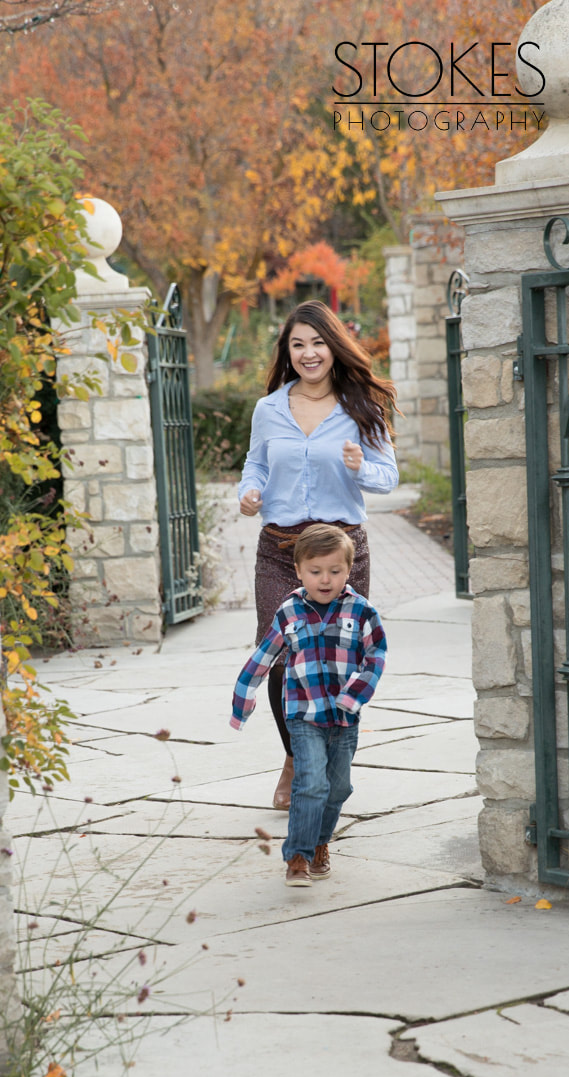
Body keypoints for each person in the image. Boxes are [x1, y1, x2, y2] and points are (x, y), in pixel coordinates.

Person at [238, 299, 398, 811]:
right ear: (287, 351)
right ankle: (299, 760)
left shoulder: (361, 407)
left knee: (333, 664)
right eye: (298, 344)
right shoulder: (269, 409)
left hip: (339, 551)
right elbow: (255, 466)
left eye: (318, 342)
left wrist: (358, 467)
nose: (309, 353)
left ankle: (313, 767)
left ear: (334, 346)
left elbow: (388, 478)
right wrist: (249, 493)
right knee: (281, 657)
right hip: (280, 550)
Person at [230, 523, 387, 886]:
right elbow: (265, 655)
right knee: (311, 784)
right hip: (303, 715)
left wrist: (355, 694)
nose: (325, 579)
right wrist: (243, 697)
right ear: (299, 571)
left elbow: (376, 655)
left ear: (349, 570)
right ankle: (298, 856)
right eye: (315, 571)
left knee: (339, 788)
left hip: (344, 718)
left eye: (335, 571)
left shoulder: (362, 612)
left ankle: (320, 842)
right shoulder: (289, 611)